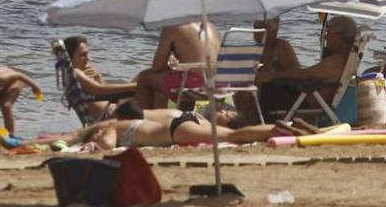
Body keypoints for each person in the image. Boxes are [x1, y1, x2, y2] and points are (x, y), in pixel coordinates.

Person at [62, 100, 303, 150]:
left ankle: (276, 129)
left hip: (177, 129)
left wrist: (94, 144)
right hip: (184, 120)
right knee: (232, 134)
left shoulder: (113, 127)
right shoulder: (129, 121)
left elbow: (107, 145)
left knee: (233, 136)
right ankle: (280, 127)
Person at [257, 15, 357, 117]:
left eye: (329, 32)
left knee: (264, 89)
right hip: (307, 97)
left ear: (338, 36)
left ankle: (254, 123)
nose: (326, 37)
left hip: (304, 101)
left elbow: (305, 74)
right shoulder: (343, 59)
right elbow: (308, 74)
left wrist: (273, 75)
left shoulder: (337, 61)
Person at [132, 20, 220, 109]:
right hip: (221, 84)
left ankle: (144, 118)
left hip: (198, 85)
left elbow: (157, 67)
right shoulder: (210, 25)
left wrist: (172, 67)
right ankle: (182, 115)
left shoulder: (172, 25)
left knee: (145, 77)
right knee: (169, 80)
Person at [62, 36, 136, 120]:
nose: (87, 58)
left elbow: (104, 92)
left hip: (114, 110)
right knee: (144, 77)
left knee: (145, 77)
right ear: (70, 58)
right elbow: (99, 90)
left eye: (87, 54)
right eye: (83, 55)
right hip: (110, 116)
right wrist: (135, 86)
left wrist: (98, 78)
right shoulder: (75, 73)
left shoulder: (77, 75)